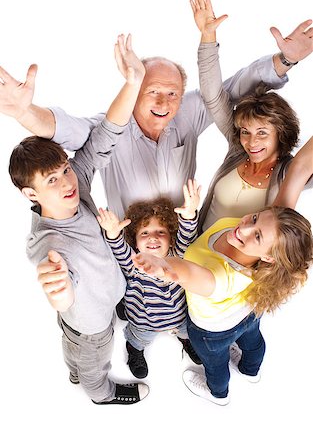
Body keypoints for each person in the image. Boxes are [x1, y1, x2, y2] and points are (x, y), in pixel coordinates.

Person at [3, 0, 312, 220]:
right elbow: (62, 128)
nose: (164, 103)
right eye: (152, 91)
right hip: (131, 254)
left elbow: (230, 90)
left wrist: (285, 60)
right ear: (134, 91)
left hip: (188, 246)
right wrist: (23, 112)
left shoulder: (186, 114)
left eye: (172, 93)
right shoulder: (110, 128)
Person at [8, 34, 150, 405]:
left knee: (72, 347)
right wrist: (61, 293)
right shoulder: (50, 245)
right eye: (51, 180)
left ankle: (73, 366)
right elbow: (56, 278)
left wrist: (133, 82)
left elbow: (106, 135)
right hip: (92, 326)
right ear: (31, 194)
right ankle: (99, 395)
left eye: (65, 170)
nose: (67, 182)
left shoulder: (78, 186)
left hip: (105, 299)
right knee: (93, 364)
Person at [131, 205, 313, 405]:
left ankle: (218, 394)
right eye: (254, 217)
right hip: (248, 313)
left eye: (258, 236)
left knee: (215, 364)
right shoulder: (262, 240)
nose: (243, 228)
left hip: (213, 332)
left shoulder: (220, 279)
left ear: (269, 257)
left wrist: (164, 266)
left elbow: (188, 272)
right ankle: (250, 371)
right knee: (253, 342)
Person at [189, 0, 313, 232]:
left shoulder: (287, 175)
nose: (250, 141)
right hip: (195, 258)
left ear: (281, 133)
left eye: (263, 133)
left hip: (235, 270)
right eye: (245, 131)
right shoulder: (237, 149)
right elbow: (213, 96)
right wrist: (207, 36)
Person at [97, 179, 202, 378]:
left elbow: (187, 237)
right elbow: (118, 248)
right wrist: (112, 233)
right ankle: (134, 350)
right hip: (144, 321)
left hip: (179, 318)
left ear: (171, 237)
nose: (153, 237)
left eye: (160, 232)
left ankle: (186, 342)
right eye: (144, 233)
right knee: (139, 339)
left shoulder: (177, 256)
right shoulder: (135, 262)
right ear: (135, 241)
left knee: (187, 331)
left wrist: (189, 216)